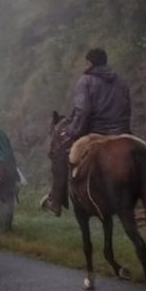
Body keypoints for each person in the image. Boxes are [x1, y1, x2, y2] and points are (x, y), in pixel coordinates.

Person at [41, 47, 131, 216]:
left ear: (89, 62)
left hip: (96, 131)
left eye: (85, 62)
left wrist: (74, 131)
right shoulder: (121, 81)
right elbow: (127, 107)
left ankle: (56, 200)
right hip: (121, 131)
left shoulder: (86, 80)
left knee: (60, 153)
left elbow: (82, 111)